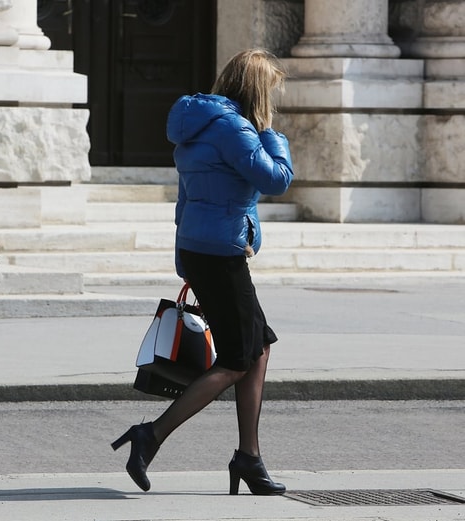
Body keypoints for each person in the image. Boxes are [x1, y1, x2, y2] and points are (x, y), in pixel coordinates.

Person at [112, 49, 294, 495]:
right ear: (258, 91)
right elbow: (276, 180)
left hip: (202, 248)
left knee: (258, 346)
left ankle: (249, 457)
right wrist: (272, 135)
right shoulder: (236, 129)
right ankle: (150, 435)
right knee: (236, 360)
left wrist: (184, 259)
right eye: (270, 90)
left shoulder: (199, 125)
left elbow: (187, 198)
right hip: (221, 253)